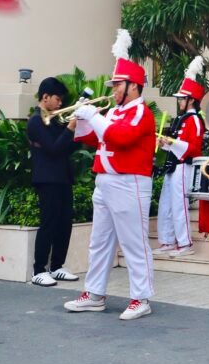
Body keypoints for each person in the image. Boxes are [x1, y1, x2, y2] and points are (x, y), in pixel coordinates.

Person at [64, 29, 156, 320]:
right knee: (99, 241)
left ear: (133, 87)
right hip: (105, 180)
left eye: (118, 85)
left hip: (129, 182)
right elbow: (96, 138)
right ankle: (94, 294)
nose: (114, 89)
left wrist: (93, 115)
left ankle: (141, 298)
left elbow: (120, 138)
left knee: (134, 242)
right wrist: (81, 121)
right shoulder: (114, 112)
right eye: (114, 84)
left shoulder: (141, 112)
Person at [25, 77, 80, 287]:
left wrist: (79, 131)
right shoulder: (35, 121)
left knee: (64, 223)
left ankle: (57, 266)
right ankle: (38, 269)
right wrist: (70, 128)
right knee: (48, 223)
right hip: (47, 179)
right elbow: (53, 149)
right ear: (45, 97)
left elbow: (66, 148)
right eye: (57, 99)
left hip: (62, 177)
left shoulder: (53, 119)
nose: (60, 103)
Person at [154, 56, 206, 258]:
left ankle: (184, 243)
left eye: (182, 98)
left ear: (191, 100)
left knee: (179, 205)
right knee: (166, 204)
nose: (179, 101)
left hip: (184, 165)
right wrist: (166, 144)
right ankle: (167, 240)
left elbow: (193, 147)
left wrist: (171, 143)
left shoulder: (194, 120)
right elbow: (177, 143)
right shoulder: (182, 118)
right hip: (174, 164)